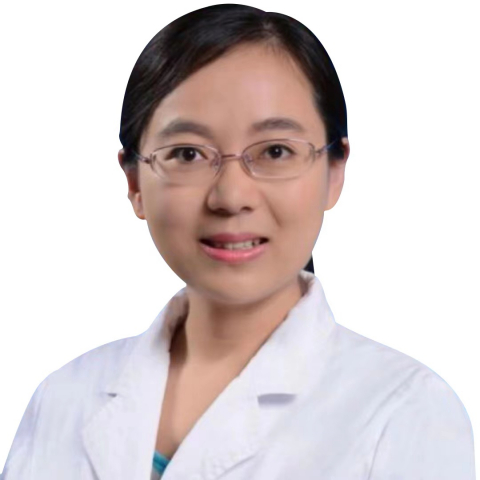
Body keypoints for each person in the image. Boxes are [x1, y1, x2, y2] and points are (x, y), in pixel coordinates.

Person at [1, 4, 475, 480]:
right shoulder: (61, 400)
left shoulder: (406, 411)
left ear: (335, 172)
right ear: (134, 182)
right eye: (187, 153)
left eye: (275, 151)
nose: (231, 197)